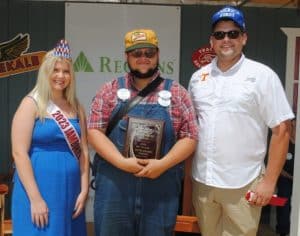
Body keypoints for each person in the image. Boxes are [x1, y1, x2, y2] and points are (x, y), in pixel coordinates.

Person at [188, 6, 294, 236]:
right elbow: (192, 128)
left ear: (244, 38)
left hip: (243, 182)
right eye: (220, 34)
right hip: (204, 182)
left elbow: (282, 130)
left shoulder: (262, 76)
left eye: (233, 33)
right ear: (212, 41)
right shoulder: (198, 78)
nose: (226, 39)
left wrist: (268, 182)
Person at [88, 28, 198, 236]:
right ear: (127, 57)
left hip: (160, 190)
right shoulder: (109, 90)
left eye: (149, 53)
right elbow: (94, 132)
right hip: (115, 191)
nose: (143, 58)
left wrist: (162, 165)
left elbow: (190, 137)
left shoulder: (177, 93)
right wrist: (121, 163)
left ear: (157, 55)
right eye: (137, 53)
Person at [11, 39, 89, 236]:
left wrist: (84, 189)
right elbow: (19, 153)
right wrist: (36, 198)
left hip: (71, 191)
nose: (60, 76)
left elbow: (84, 152)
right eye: (55, 70)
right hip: (37, 187)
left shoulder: (77, 107)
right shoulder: (31, 104)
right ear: (45, 73)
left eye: (66, 71)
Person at [276, 118, 296, 236]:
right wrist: (291, 177)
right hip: (285, 179)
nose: (294, 129)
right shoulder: (284, 143)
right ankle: (282, 231)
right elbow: (277, 166)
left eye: (295, 126)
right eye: (292, 126)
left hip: (296, 180)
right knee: (283, 203)